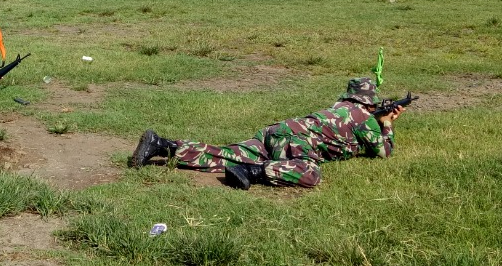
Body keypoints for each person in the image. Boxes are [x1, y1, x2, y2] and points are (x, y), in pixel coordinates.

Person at [129, 77, 403, 190]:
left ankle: (162, 145)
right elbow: (383, 152)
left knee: (227, 154)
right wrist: (387, 124)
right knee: (310, 173)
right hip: (295, 141)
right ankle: (253, 173)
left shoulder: (339, 107)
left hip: (278, 130)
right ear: (369, 101)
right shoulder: (364, 119)